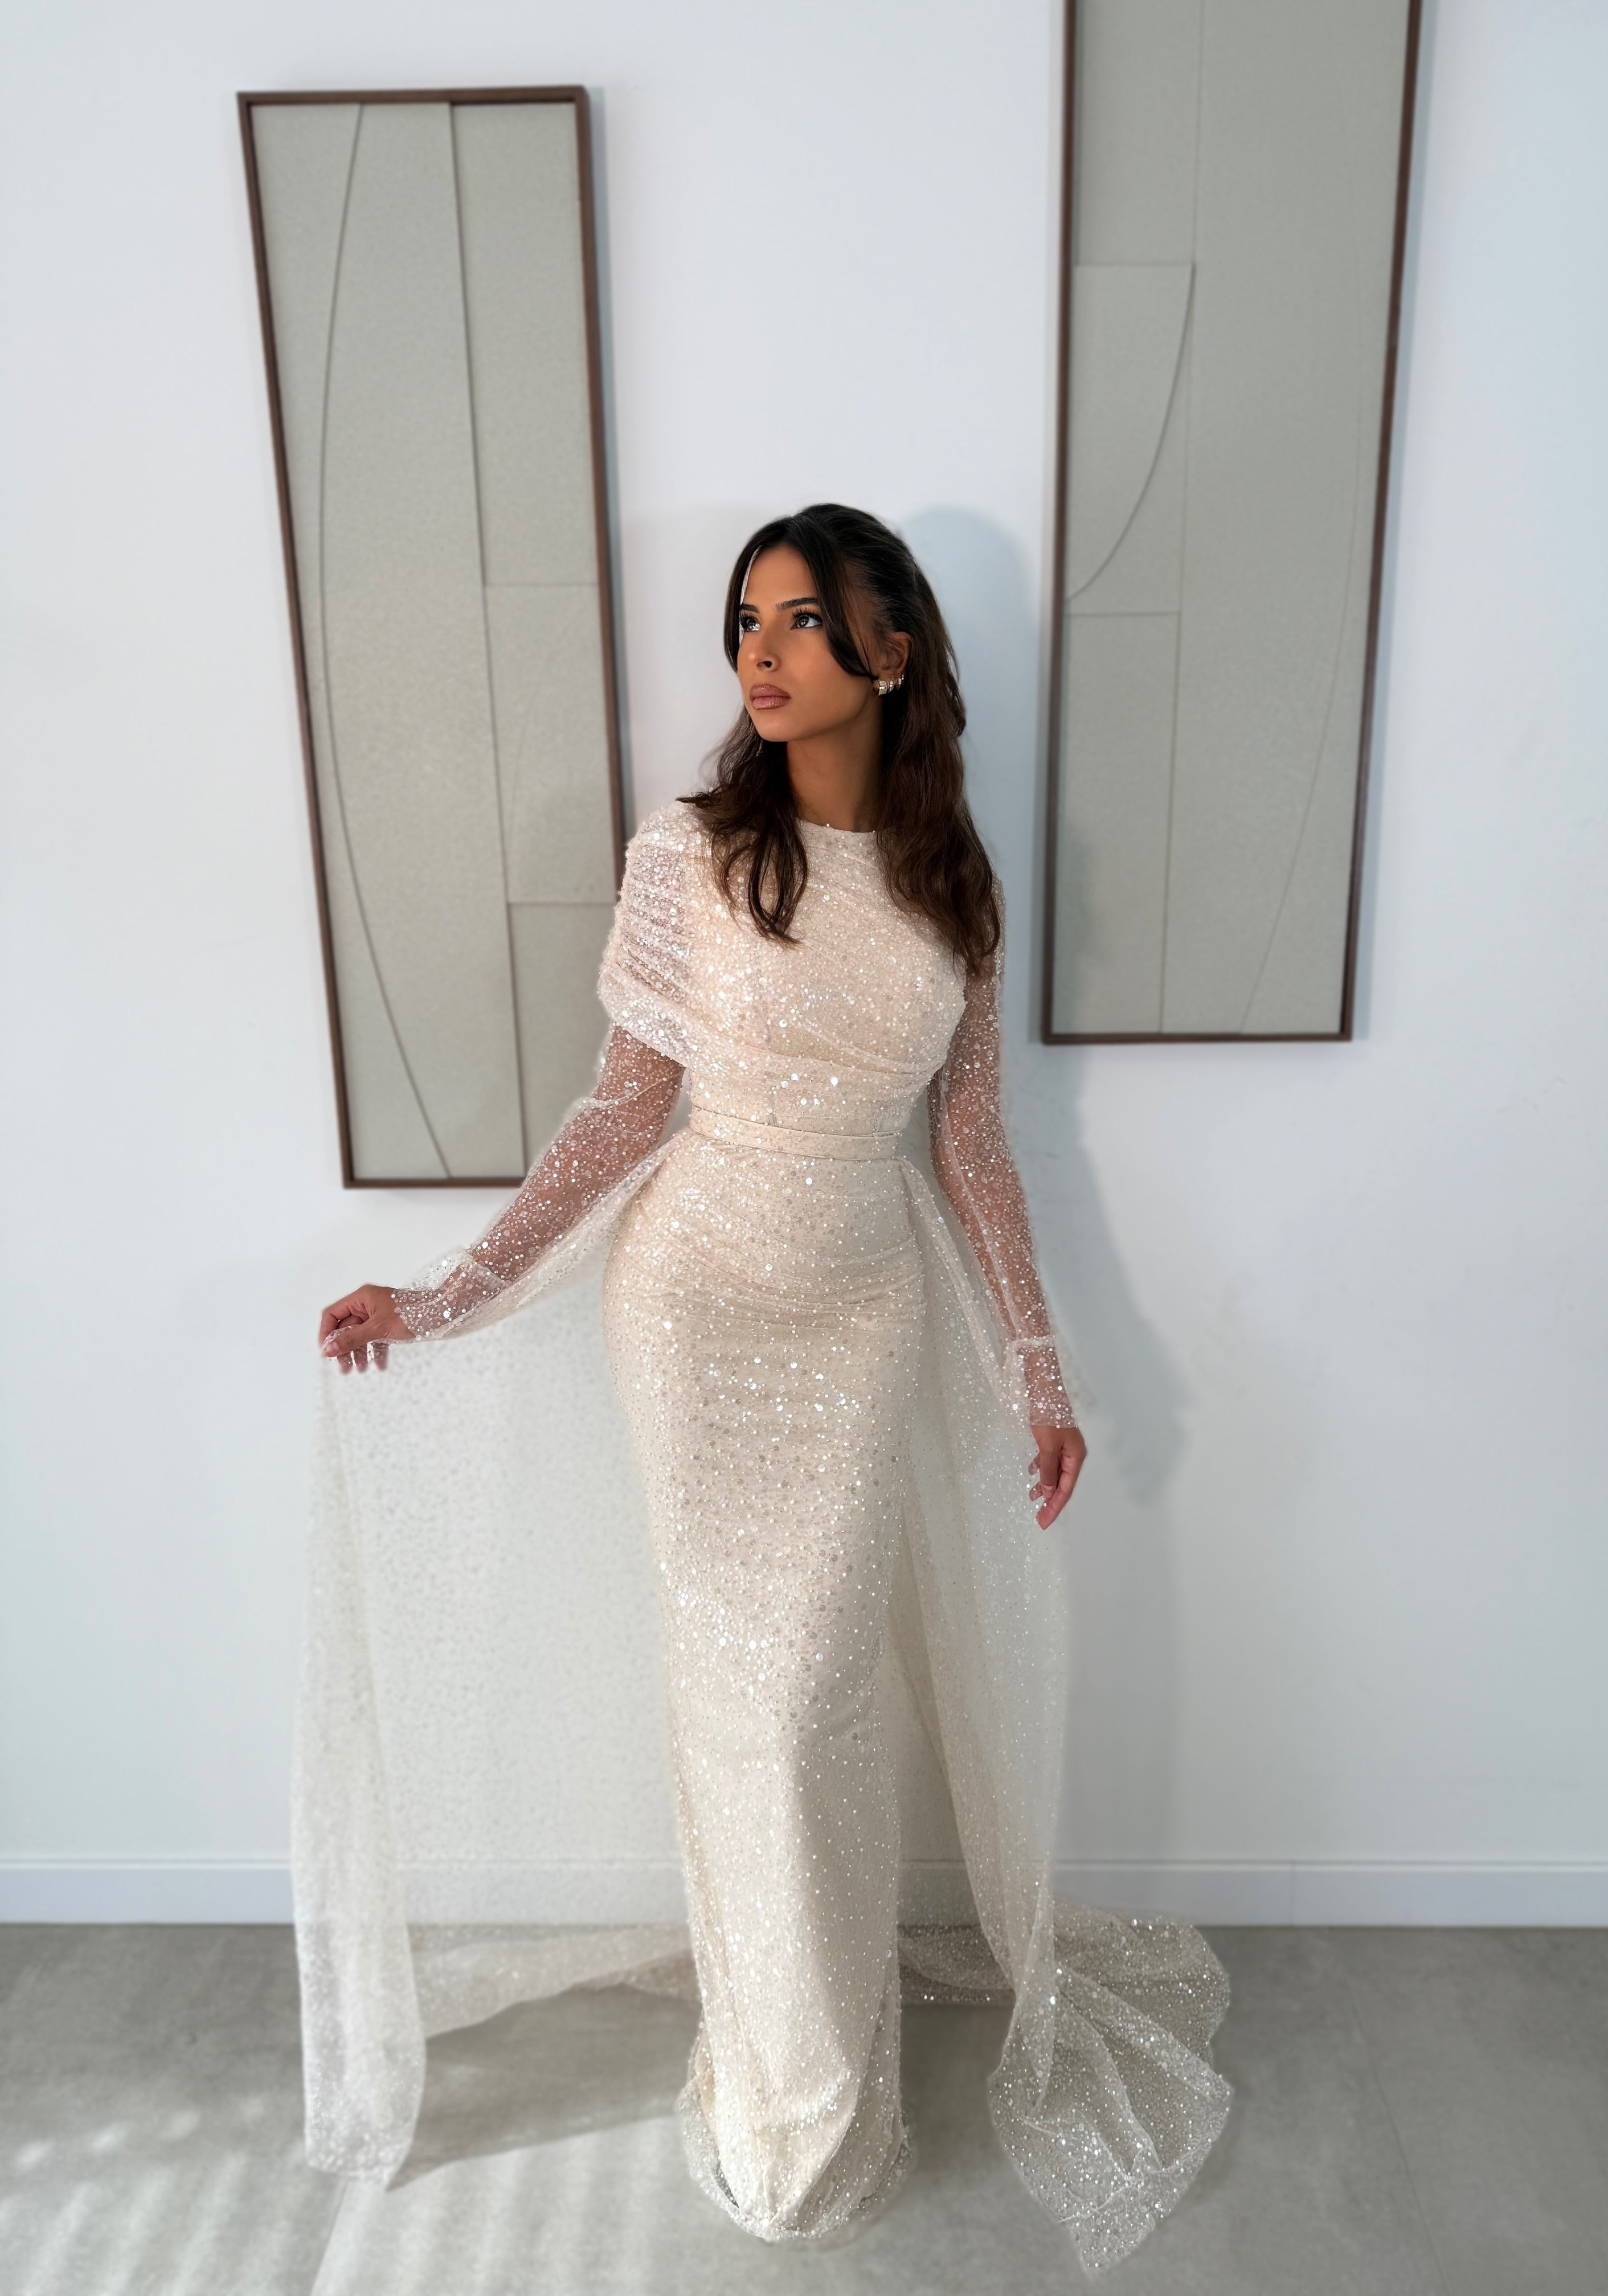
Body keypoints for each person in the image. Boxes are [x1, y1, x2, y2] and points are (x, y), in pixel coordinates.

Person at [309, 504, 1229, 2270]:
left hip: (861, 1311)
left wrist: (1040, 1366)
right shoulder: (691, 853)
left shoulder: (958, 889)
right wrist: (451, 1294)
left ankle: (812, 2044)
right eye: (747, 617)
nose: (763, 649)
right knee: (744, 1703)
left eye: (805, 618)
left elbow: (975, 1147)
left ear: (892, 651)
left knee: (812, 1696)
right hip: (691, 1307)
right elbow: (618, 1112)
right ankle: (780, 2073)